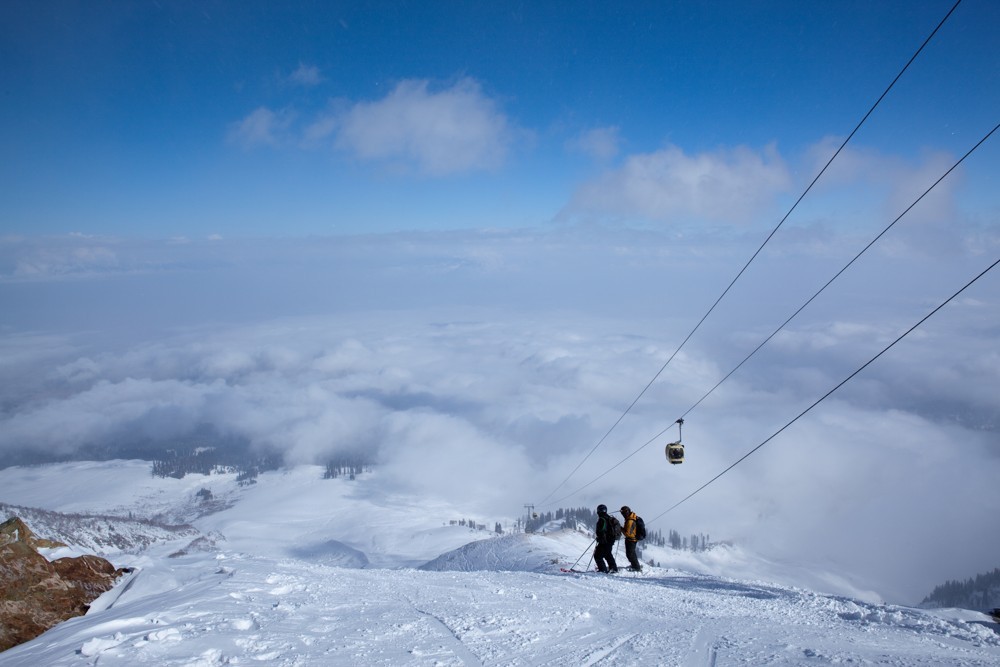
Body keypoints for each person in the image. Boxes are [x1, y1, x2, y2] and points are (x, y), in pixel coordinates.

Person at [593, 504, 620, 573]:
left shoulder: (602, 519)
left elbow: (601, 531)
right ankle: (613, 569)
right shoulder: (609, 518)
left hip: (604, 541)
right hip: (611, 540)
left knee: (598, 556)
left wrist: (599, 538)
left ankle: (603, 570)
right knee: (608, 554)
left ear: (598, 511)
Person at [620, 505, 642, 572]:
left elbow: (627, 533)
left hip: (631, 539)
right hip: (632, 539)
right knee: (631, 554)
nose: (623, 515)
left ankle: (636, 567)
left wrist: (620, 528)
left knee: (630, 554)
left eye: (623, 513)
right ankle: (635, 565)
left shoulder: (630, 521)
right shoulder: (631, 518)